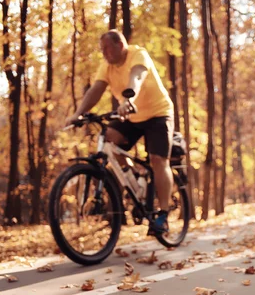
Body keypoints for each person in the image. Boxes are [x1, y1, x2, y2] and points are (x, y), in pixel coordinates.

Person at [65, 30, 174, 234]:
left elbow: (137, 77)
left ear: (120, 44)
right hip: (131, 116)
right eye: (102, 50)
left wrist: (129, 99)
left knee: (158, 160)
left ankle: (164, 214)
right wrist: (78, 114)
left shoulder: (137, 54)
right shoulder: (106, 66)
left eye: (107, 48)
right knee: (109, 140)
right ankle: (134, 179)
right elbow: (95, 90)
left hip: (158, 113)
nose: (104, 53)